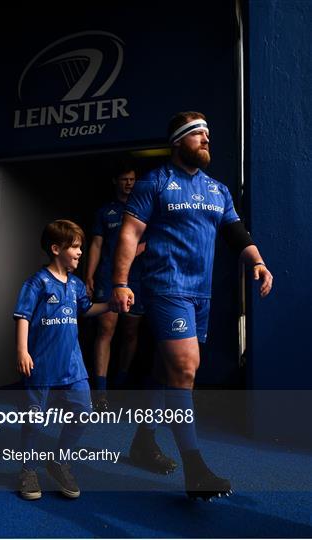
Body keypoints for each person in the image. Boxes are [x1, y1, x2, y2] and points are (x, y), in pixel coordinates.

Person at [111, 111, 273, 501]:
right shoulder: (155, 183)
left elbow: (236, 233)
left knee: (166, 370)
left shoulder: (218, 190)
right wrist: (119, 282)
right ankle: (195, 468)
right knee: (185, 368)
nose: (205, 139)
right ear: (177, 141)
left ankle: (142, 442)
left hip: (201, 293)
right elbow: (130, 234)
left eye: (207, 133)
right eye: (196, 133)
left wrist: (258, 261)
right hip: (166, 287)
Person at [13, 219, 111, 501]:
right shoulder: (37, 283)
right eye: (75, 247)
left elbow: (87, 310)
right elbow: (22, 316)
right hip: (41, 366)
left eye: (81, 247)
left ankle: (58, 461)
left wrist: (111, 306)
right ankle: (28, 470)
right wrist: (22, 350)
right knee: (34, 420)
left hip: (73, 367)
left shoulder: (77, 285)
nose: (80, 252)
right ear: (56, 249)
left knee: (83, 412)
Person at [85, 160, 145, 411]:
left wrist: (130, 256)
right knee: (105, 331)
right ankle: (101, 392)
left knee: (131, 333)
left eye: (132, 179)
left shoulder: (144, 209)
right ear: (115, 182)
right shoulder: (105, 212)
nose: (129, 183)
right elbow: (97, 245)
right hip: (107, 279)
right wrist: (89, 275)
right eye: (124, 179)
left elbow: (149, 243)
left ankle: (121, 383)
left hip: (137, 279)